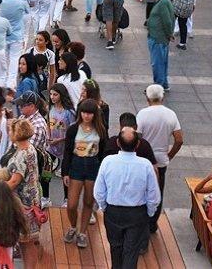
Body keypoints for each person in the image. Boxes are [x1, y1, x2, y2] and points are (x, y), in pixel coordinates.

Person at [94, 127, 161, 268]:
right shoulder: (146, 165)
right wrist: (149, 212)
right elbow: (154, 195)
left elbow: (99, 190)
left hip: (113, 212)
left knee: (115, 248)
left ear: (118, 143)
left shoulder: (108, 161)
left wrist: (105, 207)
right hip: (137, 213)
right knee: (131, 252)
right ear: (137, 145)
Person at [136, 84, 183, 234]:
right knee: (157, 191)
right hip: (161, 160)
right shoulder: (171, 114)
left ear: (147, 97)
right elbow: (179, 139)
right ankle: (152, 223)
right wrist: (169, 155)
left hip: (144, 159)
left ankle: (141, 220)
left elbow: (137, 137)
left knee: (141, 190)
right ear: (162, 97)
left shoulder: (142, 114)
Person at [62, 98, 107, 250]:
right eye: (84, 113)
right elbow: (67, 151)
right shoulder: (73, 129)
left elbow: (103, 152)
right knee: (72, 204)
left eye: (90, 113)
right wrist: (65, 172)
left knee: (89, 202)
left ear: (95, 115)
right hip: (76, 165)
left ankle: (82, 232)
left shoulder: (100, 130)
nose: (87, 116)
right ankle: (73, 226)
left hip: (93, 165)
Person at [4, 118, 43, 268]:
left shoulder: (21, 155)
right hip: (33, 201)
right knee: (28, 242)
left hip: (23, 204)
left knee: (26, 243)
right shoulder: (30, 148)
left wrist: (0, 191)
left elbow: (15, 181)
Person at [0, 0, 29, 90]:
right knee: (15, 58)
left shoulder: (1, 0)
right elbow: (28, 9)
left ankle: (3, 80)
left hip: (4, 34)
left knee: (5, 58)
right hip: (17, 35)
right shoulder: (21, 1)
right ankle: (11, 83)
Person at [146, 0, 174, 89]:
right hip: (159, 37)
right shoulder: (162, 1)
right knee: (162, 62)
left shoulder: (162, 3)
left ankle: (158, 85)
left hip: (158, 38)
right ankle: (164, 83)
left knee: (157, 63)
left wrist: (169, 34)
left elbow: (167, 21)